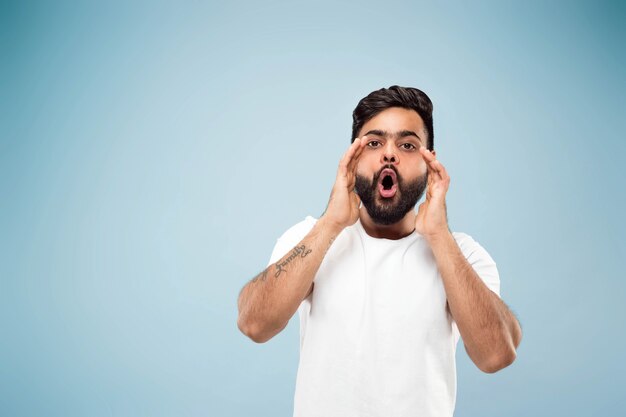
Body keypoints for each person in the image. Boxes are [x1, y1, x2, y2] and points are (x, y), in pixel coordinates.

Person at [237, 85, 522, 417]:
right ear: (353, 157)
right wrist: (331, 223)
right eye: (374, 143)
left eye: (407, 145)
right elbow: (254, 324)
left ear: (430, 161)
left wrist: (439, 236)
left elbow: (496, 356)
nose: (389, 154)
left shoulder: (463, 255)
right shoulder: (310, 237)